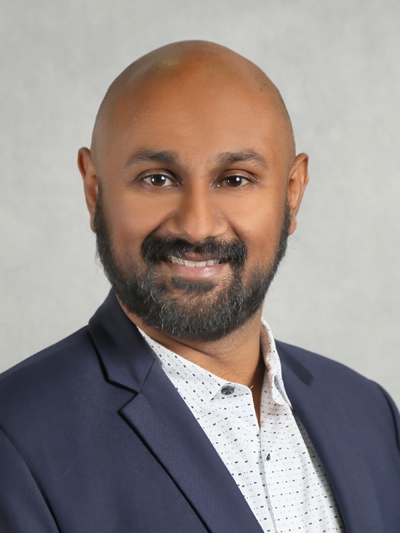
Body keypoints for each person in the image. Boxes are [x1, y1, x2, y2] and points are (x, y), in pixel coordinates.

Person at [0, 41, 399, 533]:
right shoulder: (14, 439)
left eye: (235, 180)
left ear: (292, 193)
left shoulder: (369, 412)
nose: (197, 226)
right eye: (157, 179)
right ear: (94, 190)